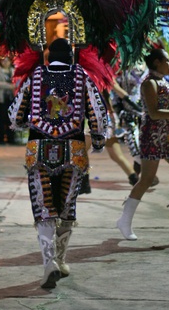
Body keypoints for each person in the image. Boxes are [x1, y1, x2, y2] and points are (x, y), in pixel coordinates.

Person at [9, 38, 107, 289]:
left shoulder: (35, 76)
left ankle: (49, 263)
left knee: (44, 206)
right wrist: (97, 141)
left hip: (39, 149)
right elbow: (97, 113)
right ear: (72, 56)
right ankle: (61, 261)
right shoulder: (82, 75)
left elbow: (16, 114)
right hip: (73, 151)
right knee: (66, 206)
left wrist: (28, 124)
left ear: (48, 55)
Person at [116, 46, 169, 241]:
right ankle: (124, 221)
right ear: (156, 63)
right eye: (167, 60)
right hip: (152, 136)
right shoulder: (149, 84)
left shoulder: (163, 81)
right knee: (146, 179)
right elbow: (153, 114)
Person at [0, 57, 15, 144]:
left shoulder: (13, 70)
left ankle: (11, 138)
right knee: (1, 118)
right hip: (1, 98)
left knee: (11, 119)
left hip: (11, 98)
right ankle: (0, 138)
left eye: (7, 61)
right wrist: (9, 86)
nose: (5, 62)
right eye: (3, 61)